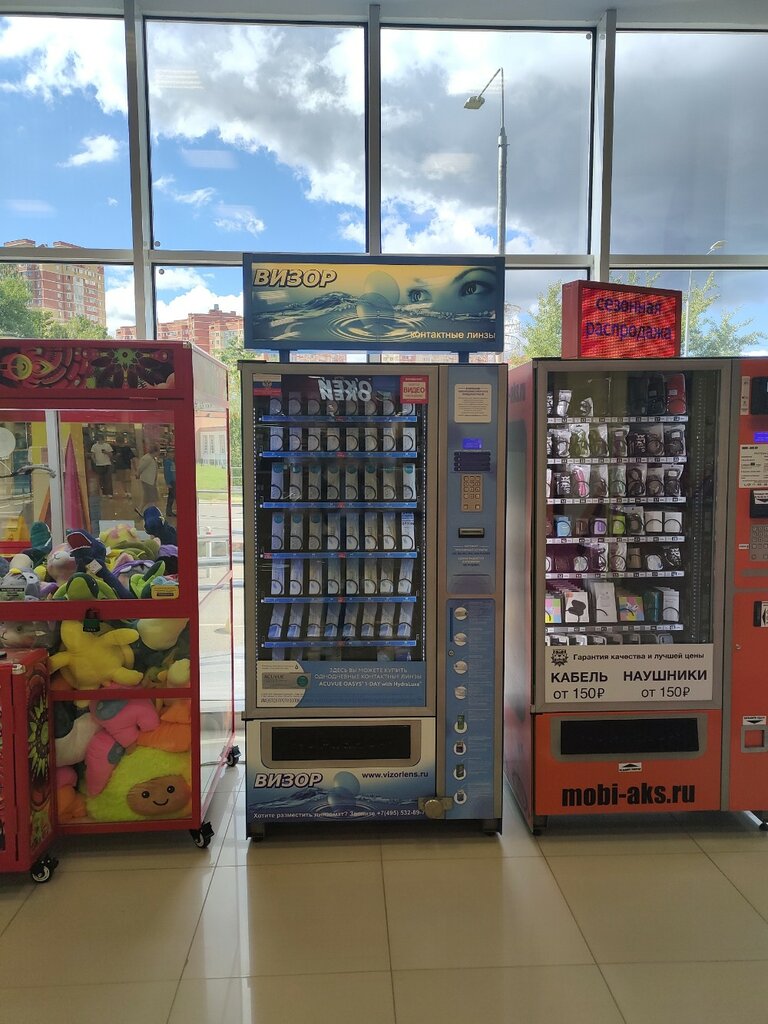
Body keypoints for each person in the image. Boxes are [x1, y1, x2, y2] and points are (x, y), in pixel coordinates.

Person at [113, 433, 137, 499]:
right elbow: (133, 458)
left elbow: (113, 458)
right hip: (126, 465)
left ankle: (126, 492)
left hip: (119, 466)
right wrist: (135, 468)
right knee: (127, 480)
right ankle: (129, 492)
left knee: (122, 480)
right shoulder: (127, 448)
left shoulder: (116, 448)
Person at [163, 447, 176, 518]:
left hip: (173, 481)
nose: (173, 454)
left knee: (171, 496)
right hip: (171, 482)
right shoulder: (168, 462)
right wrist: (168, 483)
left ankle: (169, 511)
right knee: (173, 496)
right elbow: (167, 473)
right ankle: (169, 511)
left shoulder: (171, 461)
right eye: (171, 453)